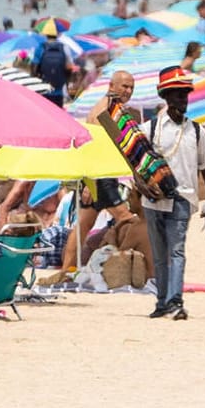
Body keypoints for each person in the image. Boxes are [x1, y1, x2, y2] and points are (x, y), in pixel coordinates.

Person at [141, 66, 205, 321]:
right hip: (153, 202)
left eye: (185, 94)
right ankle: (161, 301)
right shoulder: (149, 129)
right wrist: (142, 187)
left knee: (177, 252)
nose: (182, 99)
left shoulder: (197, 131)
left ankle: (175, 301)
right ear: (165, 97)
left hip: (183, 199)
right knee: (159, 254)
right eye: (177, 94)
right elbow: (135, 166)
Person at [69, 70, 138, 271]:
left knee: (83, 226)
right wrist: (90, 182)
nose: (128, 91)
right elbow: (94, 148)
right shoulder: (105, 110)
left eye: (131, 87)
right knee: (127, 219)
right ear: (111, 86)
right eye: (124, 86)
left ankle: (67, 269)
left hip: (101, 175)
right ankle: (127, 266)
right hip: (99, 175)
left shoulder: (112, 108)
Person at [31, 30, 71, 108]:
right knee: (57, 116)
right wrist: (66, 83)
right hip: (59, 92)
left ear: (46, 35)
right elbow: (69, 68)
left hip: (44, 90)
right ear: (58, 34)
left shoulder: (41, 47)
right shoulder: (64, 47)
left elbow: (34, 69)